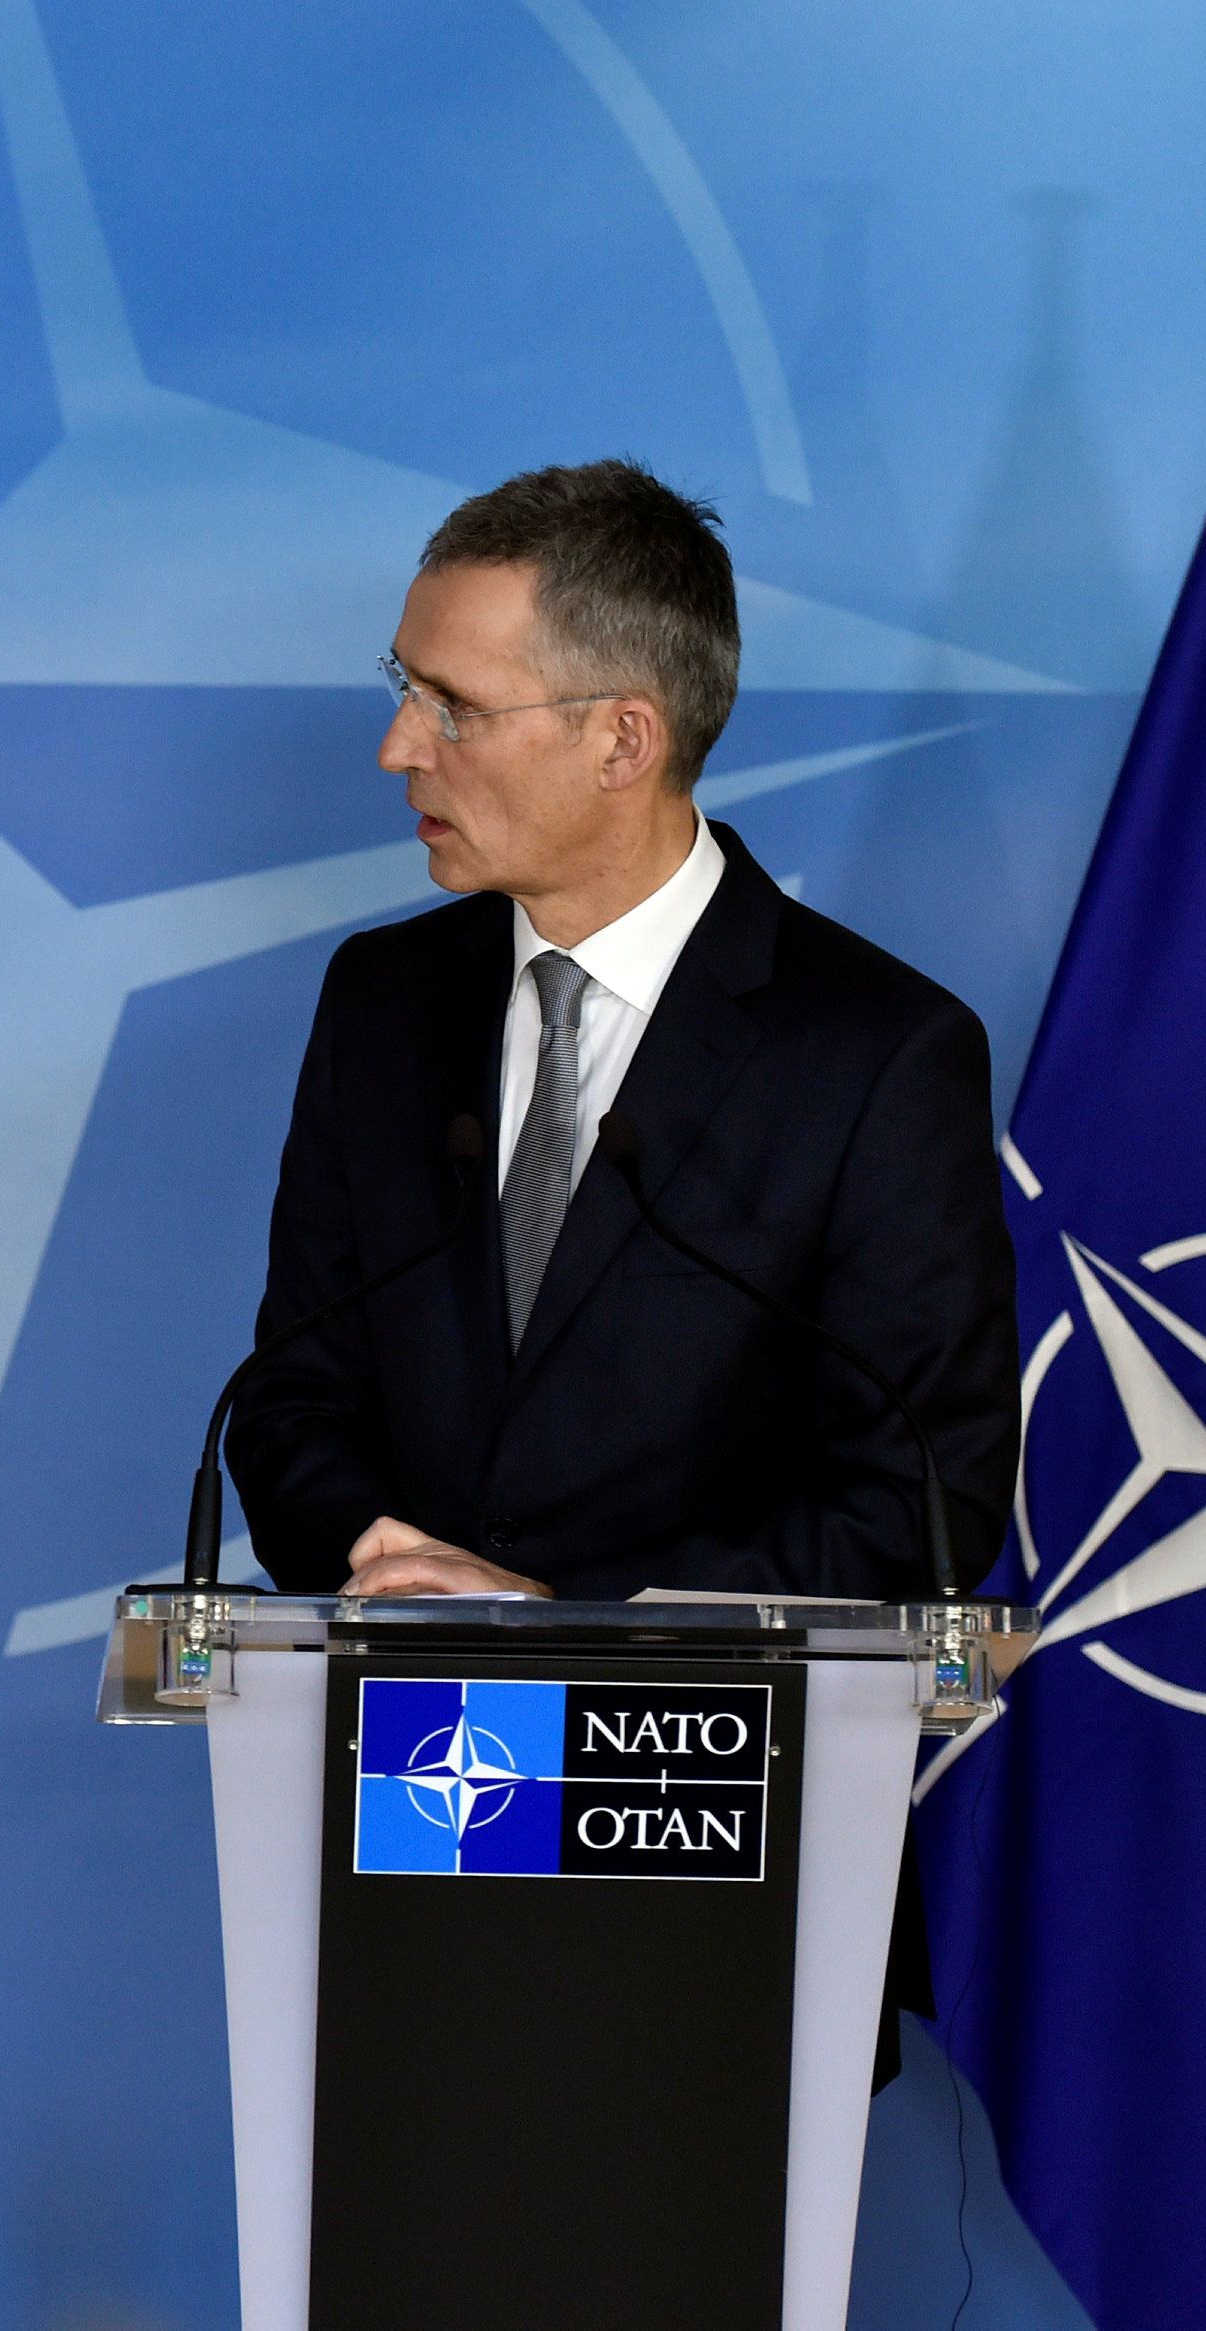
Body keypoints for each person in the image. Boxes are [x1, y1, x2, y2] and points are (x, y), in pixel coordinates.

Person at [226, 460, 1018, 1607]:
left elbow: (919, 1500)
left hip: (699, 1762)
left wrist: (559, 1623)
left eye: (454, 706)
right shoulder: (381, 1003)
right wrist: (398, 1579)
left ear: (622, 742)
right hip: (406, 1738)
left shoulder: (873, 1053)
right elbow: (292, 1402)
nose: (400, 747)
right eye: (404, 685)